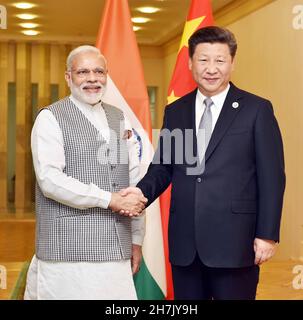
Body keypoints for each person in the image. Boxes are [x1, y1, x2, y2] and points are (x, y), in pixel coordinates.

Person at [121, 26, 285, 300]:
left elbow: (272, 178)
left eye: (220, 60)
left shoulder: (257, 110)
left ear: (232, 62)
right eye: (203, 60)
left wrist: (267, 234)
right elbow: (164, 167)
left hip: (236, 243)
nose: (211, 68)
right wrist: (140, 192)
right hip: (186, 245)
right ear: (190, 63)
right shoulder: (177, 111)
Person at [24, 45, 147, 300]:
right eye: (83, 72)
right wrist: (109, 199)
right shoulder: (50, 118)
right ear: (69, 77)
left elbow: (133, 181)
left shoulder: (119, 118)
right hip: (67, 255)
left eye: (99, 71)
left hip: (116, 251)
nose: (92, 78)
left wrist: (136, 238)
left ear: (106, 76)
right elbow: (50, 180)